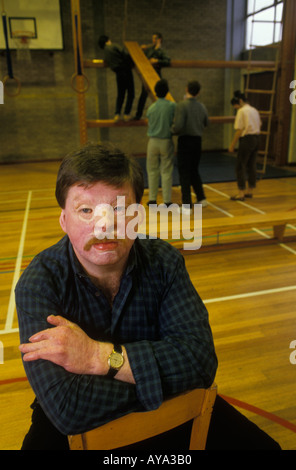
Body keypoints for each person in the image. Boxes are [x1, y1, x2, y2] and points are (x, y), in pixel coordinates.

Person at [16, 144, 281, 451]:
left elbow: (200, 362)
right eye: (86, 210)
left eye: (119, 209)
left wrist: (96, 358)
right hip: (147, 405)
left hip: (166, 411)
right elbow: (68, 408)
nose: (105, 226)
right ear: (64, 220)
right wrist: (163, 381)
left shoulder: (164, 262)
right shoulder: (38, 284)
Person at [172, 80, 209, 214]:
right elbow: (206, 123)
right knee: (194, 170)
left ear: (186, 89)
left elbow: (179, 126)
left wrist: (171, 131)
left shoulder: (182, 105)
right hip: (198, 141)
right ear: (199, 92)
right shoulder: (202, 106)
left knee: (184, 172)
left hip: (185, 141)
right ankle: (202, 198)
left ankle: (187, 205)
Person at [146, 79, 176, 206]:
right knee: (166, 171)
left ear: (155, 92)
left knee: (152, 170)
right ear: (167, 91)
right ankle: (167, 200)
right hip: (166, 141)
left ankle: (152, 199)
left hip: (152, 141)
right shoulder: (172, 106)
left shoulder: (151, 108)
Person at [228, 90, 261, 201]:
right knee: (251, 165)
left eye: (236, 106)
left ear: (240, 101)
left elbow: (239, 129)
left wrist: (232, 145)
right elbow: (259, 124)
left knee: (240, 166)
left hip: (247, 139)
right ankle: (250, 191)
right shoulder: (254, 110)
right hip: (256, 138)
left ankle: (241, 193)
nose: (236, 108)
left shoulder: (242, 111)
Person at [133, 32, 171, 120]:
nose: (153, 40)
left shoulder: (162, 51)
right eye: (153, 38)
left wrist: (157, 61)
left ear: (159, 39)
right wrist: (141, 50)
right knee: (143, 95)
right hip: (148, 74)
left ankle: (162, 115)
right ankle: (138, 115)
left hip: (156, 75)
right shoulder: (150, 49)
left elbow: (167, 61)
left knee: (160, 96)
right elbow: (143, 58)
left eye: (155, 38)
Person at [98, 35, 134, 121]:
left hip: (118, 73)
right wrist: (132, 62)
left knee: (121, 94)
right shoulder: (113, 46)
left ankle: (117, 114)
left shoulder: (105, 52)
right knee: (131, 93)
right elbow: (124, 53)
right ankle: (126, 114)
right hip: (126, 70)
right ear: (107, 40)